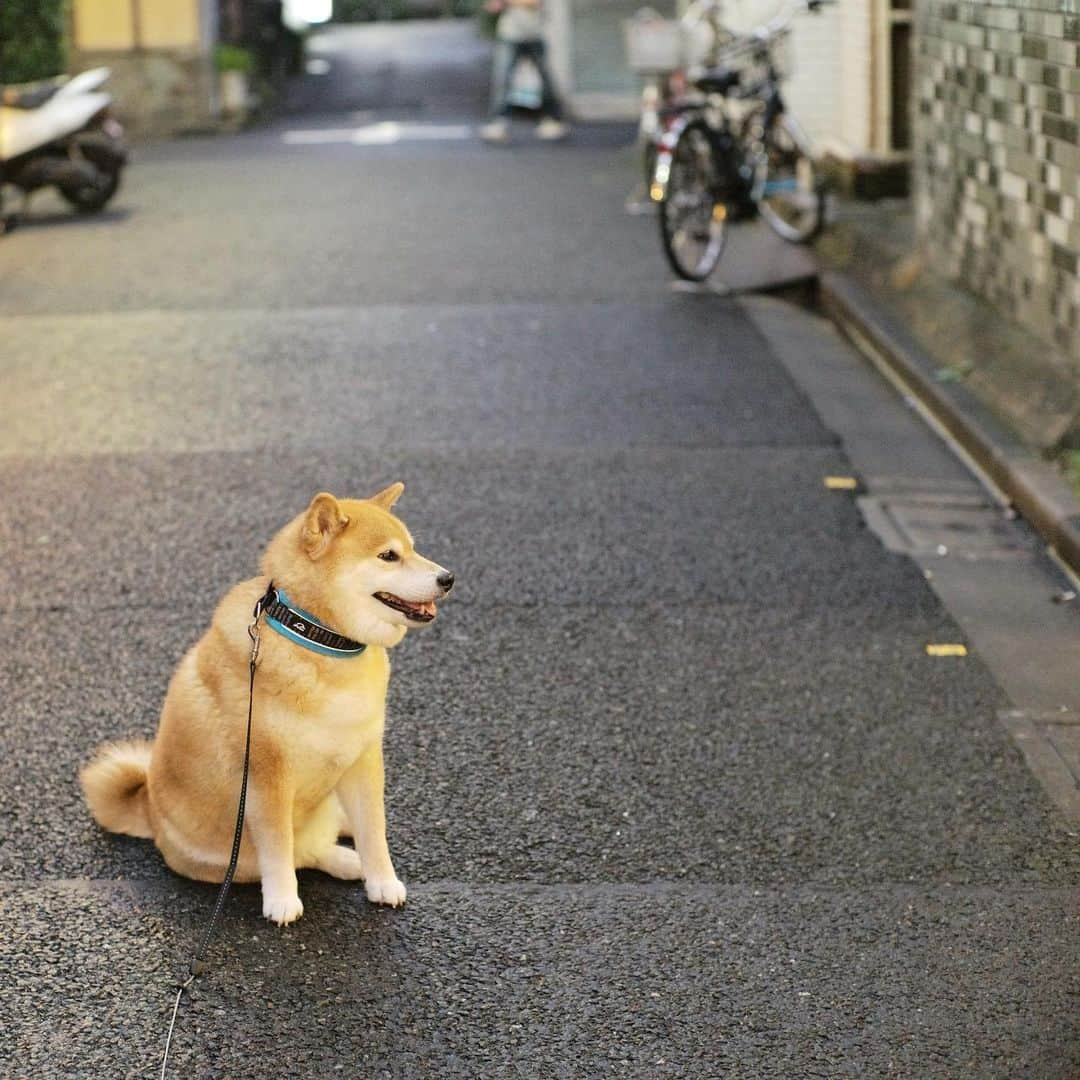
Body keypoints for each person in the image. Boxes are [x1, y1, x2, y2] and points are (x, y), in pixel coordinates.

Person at [480, 0, 569, 143]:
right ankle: (496, 122)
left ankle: (553, 119)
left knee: (545, 79)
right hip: (511, 34)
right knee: (503, 79)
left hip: (534, 34)